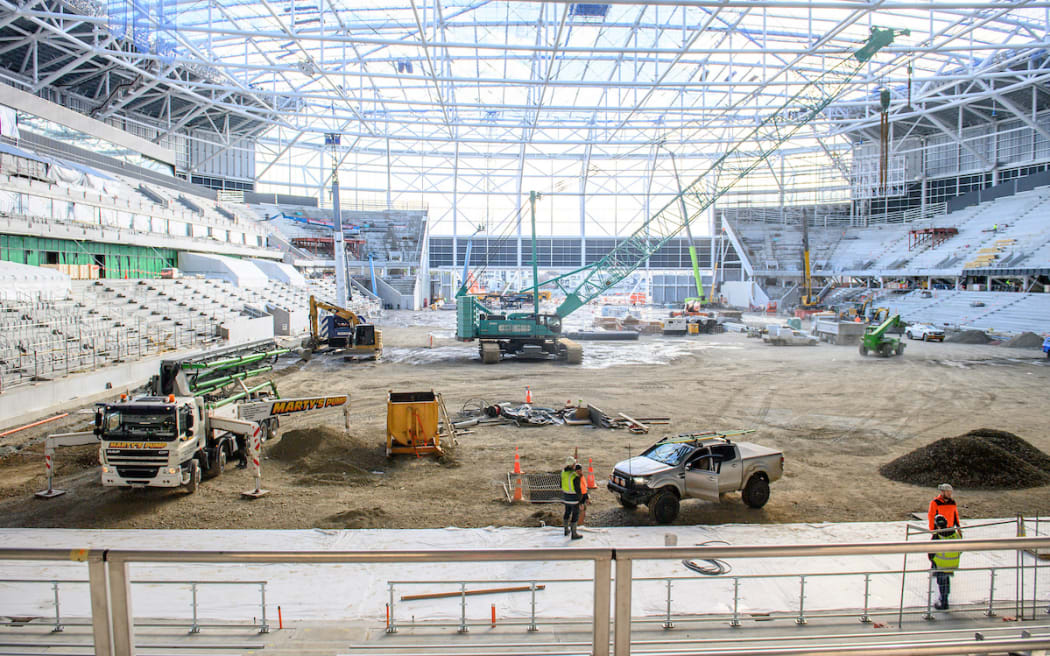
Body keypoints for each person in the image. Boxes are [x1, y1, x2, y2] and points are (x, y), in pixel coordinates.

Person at [928, 513, 961, 610]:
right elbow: (961, 547)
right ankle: (945, 599)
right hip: (953, 562)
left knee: (941, 582)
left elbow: (931, 552)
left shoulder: (937, 536)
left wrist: (933, 561)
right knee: (946, 581)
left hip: (940, 564)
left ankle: (943, 602)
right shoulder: (954, 533)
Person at [560, 457, 583, 540]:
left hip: (565, 497)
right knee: (575, 514)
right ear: (573, 465)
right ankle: (574, 533)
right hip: (573, 498)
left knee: (567, 512)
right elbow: (578, 489)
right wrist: (581, 500)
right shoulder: (574, 476)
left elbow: (560, 485)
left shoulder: (563, 473)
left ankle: (566, 530)